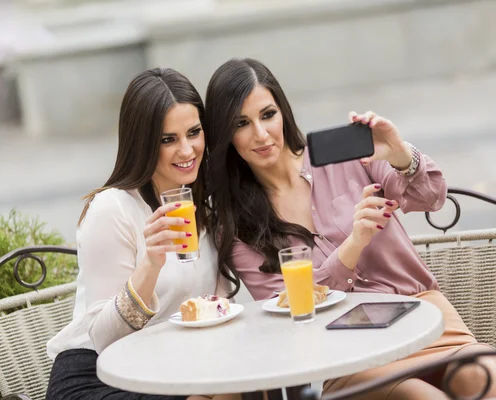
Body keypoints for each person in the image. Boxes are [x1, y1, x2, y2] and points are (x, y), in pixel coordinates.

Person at [204, 58, 496, 399]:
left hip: (424, 320)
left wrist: (399, 152)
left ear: (283, 111)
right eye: (242, 123)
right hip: (348, 353)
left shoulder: (342, 155)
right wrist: (352, 246)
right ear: (225, 135)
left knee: (485, 376)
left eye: (268, 114)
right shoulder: (236, 224)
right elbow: (287, 310)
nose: (261, 133)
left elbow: (431, 196)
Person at [46, 68, 236, 400]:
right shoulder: (112, 209)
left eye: (194, 133)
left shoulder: (204, 208)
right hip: (97, 376)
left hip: (171, 368)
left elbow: (215, 309)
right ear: (143, 143)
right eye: (168, 139)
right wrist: (151, 264)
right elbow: (104, 339)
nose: (187, 150)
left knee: (246, 388)